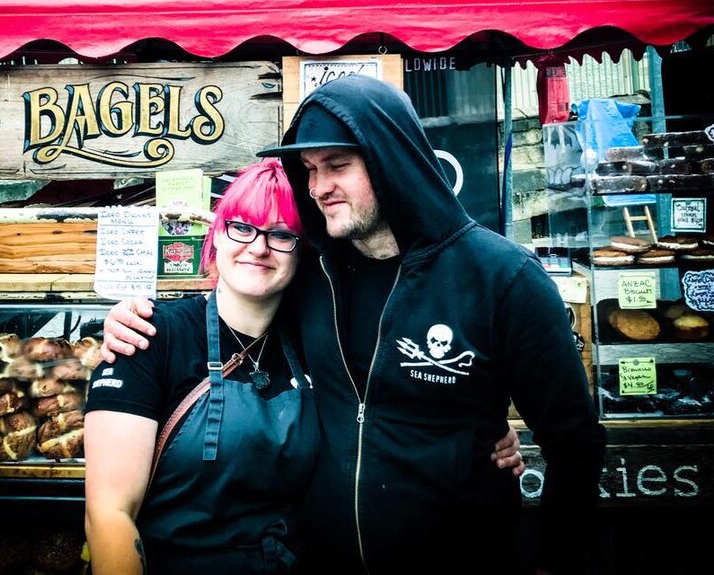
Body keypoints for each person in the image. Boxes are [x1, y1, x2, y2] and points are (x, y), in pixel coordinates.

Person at [102, 75, 600, 574]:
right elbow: (239, 295)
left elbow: (573, 441)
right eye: (310, 170)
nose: (318, 187)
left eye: (337, 166)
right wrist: (134, 318)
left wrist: (555, 561)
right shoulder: (315, 272)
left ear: (392, 159)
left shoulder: (503, 278)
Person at [83, 159, 320, 574]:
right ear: (217, 235)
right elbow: (109, 515)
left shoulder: (318, 345)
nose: (259, 247)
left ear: (302, 251)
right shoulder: (147, 336)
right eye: (242, 227)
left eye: (281, 234)